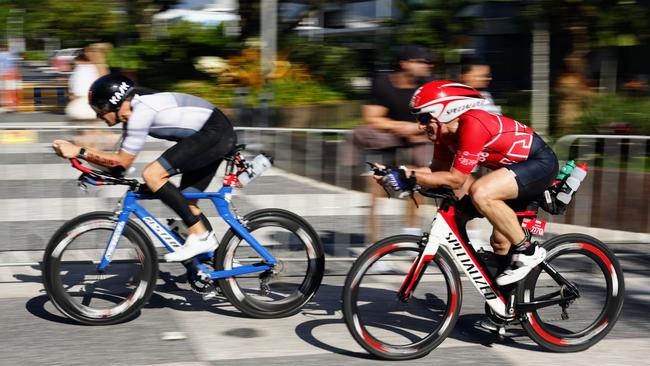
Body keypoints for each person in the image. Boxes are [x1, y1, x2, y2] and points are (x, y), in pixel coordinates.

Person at [378, 81, 558, 285]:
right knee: (500, 243)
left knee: (480, 192)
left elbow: (456, 179)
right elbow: (437, 171)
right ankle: (507, 309)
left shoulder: (472, 124)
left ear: (444, 112)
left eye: (425, 117)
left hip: (539, 164)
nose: (420, 125)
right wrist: (394, 172)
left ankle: (529, 251)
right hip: (513, 173)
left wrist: (408, 176)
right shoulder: (444, 135)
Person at [51, 74, 238, 262]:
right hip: (210, 134)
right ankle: (221, 265)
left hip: (215, 133)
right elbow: (117, 168)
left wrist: (79, 151)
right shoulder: (132, 110)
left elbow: (122, 162)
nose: (98, 116)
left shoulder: (141, 111)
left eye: (100, 109)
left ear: (115, 103)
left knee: (153, 175)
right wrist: (85, 165)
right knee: (186, 202)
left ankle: (201, 237)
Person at [362, 45, 434, 242]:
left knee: (416, 187)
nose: (427, 65)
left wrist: (417, 129)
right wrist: (401, 127)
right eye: (421, 61)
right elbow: (372, 117)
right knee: (377, 192)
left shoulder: (427, 85)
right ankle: (373, 246)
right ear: (405, 63)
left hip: (416, 142)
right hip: (385, 141)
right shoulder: (383, 83)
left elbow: (435, 118)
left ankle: (410, 237)